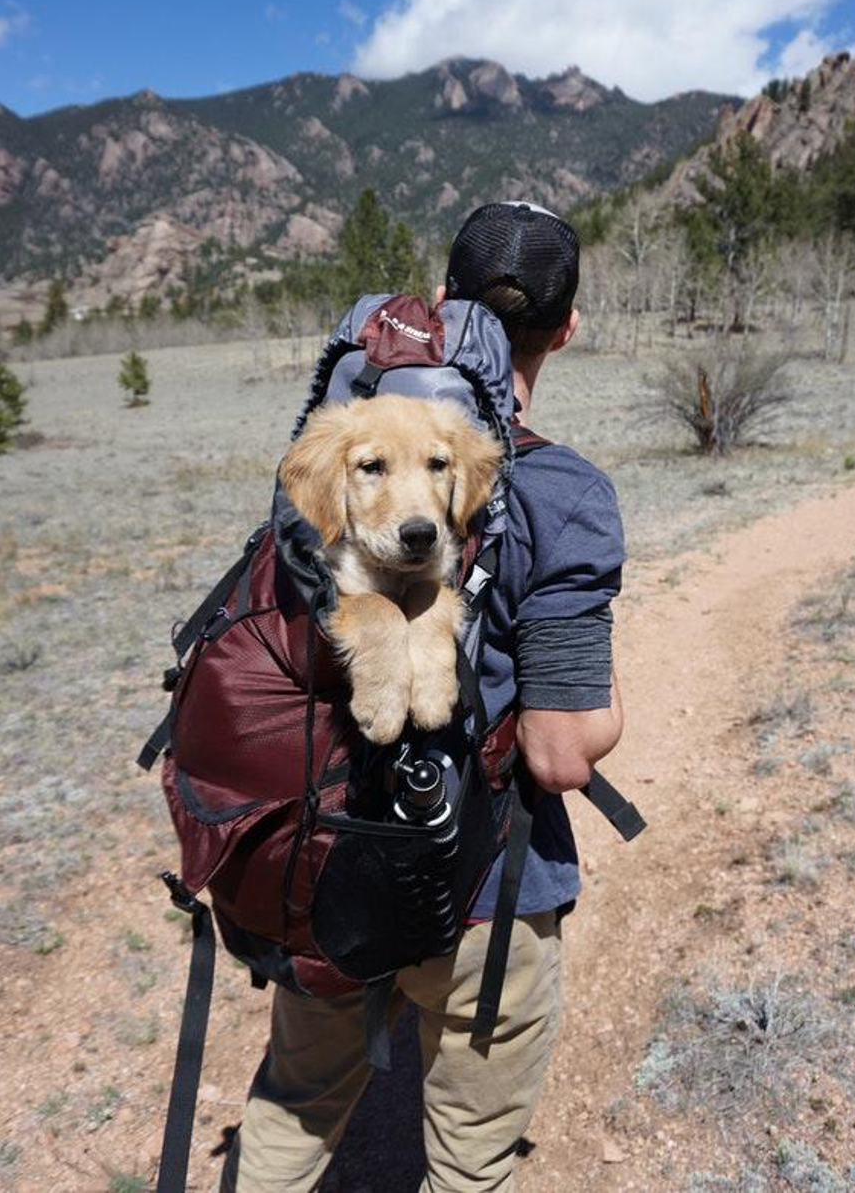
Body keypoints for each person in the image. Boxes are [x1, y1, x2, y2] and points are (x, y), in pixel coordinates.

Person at [220, 200, 626, 1193]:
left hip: (324, 853)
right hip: (484, 891)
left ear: (438, 307)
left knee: (293, 1105)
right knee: (466, 1157)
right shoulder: (561, 491)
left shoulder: (350, 453)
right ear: (566, 327)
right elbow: (560, 751)